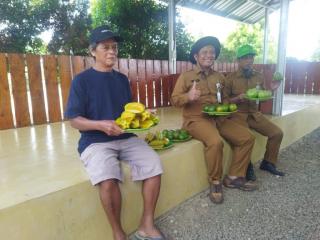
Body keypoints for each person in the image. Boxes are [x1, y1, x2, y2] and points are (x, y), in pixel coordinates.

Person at [65, 25, 165, 240]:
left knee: (154, 166)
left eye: (114, 47)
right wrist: (101, 125)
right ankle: (118, 233)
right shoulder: (81, 81)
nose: (112, 52)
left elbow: (127, 111)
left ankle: (146, 225)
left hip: (126, 137)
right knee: (108, 180)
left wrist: (143, 113)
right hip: (95, 141)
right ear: (93, 51)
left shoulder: (121, 79)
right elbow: (74, 120)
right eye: (105, 47)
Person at [171, 37, 257, 204]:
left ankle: (234, 176)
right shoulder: (186, 76)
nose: (209, 55)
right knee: (216, 142)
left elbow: (224, 98)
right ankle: (215, 181)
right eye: (205, 52)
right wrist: (188, 97)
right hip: (196, 119)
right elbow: (174, 100)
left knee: (247, 138)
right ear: (196, 56)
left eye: (212, 52)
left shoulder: (219, 77)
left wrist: (228, 106)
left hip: (219, 118)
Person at [224, 44, 285, 181]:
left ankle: (268, 162)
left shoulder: (259, 76)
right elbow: (224, 102)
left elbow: (262, 96)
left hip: (254, 114)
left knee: (277, 133)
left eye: (251, 57)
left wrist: (272, 90)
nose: (249, 60)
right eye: (245, 58)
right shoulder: (230, 78)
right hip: (237, 115)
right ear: (238, 60)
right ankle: (247, 167)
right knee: (246, 137)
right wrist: (237, 98)